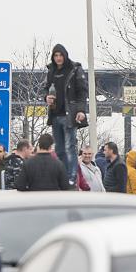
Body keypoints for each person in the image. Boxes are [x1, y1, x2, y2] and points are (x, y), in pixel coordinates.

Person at [42, 44, 88, 185]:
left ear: (65, 55)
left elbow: (82, 91)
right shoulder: (51, 71)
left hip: (70, 115)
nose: (58, 58)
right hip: (55, 114)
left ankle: (71, 176)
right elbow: (45, 88)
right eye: (56, 55)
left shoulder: (75, 69)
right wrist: (46, 98)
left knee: (70, 147)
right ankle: (62, 175)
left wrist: (81, 110)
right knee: (60, 149)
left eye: (60, 55)